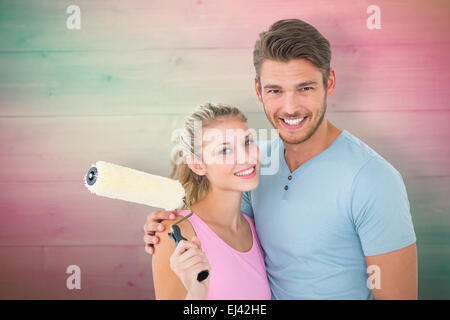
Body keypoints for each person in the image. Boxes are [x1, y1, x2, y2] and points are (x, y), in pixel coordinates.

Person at [144, 19, 417, 299]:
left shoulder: (373, 179)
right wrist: (172, 225)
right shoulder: (253, 163)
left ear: (330, 82)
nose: (290, 107)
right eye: (275, 90)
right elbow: (224, 228)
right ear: (259, 89)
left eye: (305, 88)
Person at [150, 103, 272, 300]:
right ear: (198, 165)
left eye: (247, 142)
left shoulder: (254, 229)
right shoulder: (176, 234)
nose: (245, 157)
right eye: (225, 151)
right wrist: (196, 293)